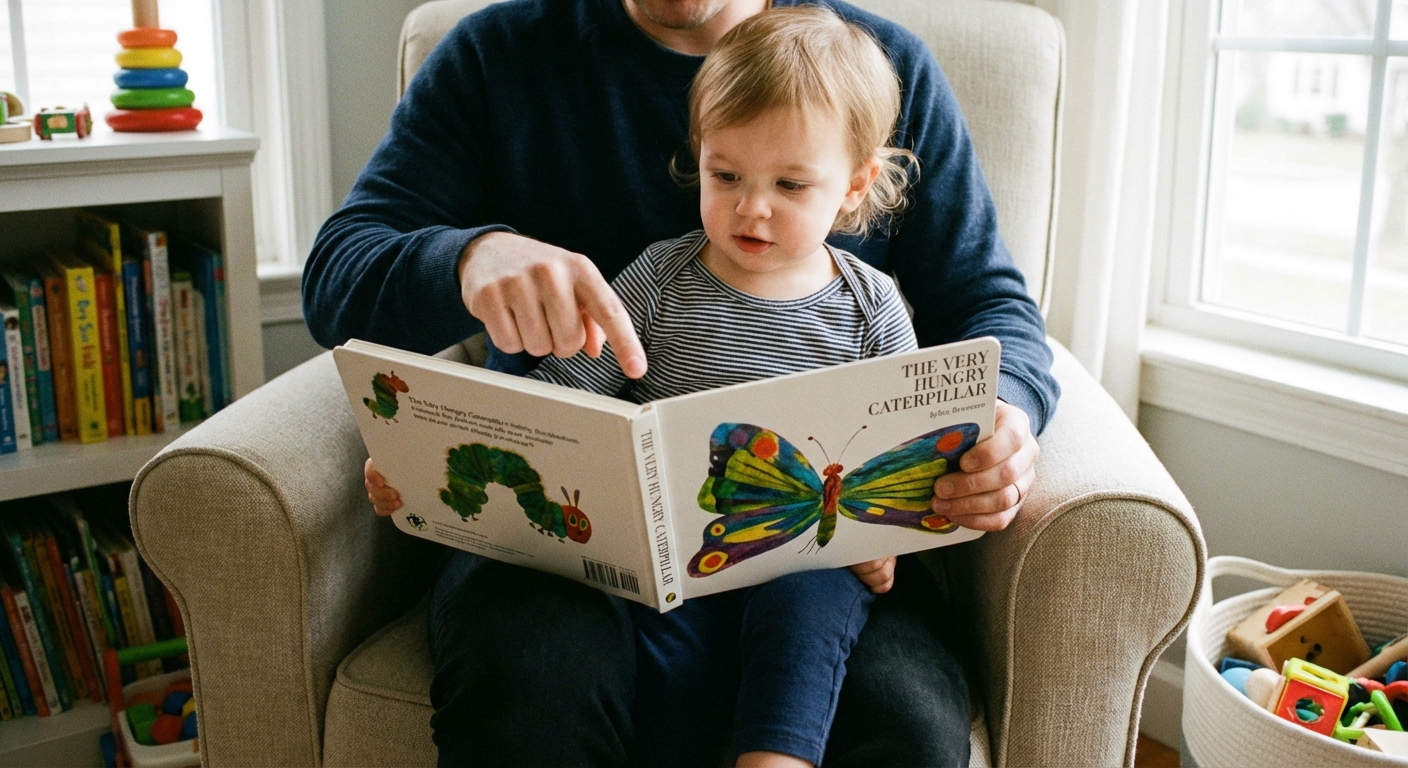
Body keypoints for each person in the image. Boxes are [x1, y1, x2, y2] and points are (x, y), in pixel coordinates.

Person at [305, 0, 1059, 764]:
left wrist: (1008, 415)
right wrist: (467, 260)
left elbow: (986, 302)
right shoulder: (499, 54)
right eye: (723, 174)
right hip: (566, 533)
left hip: (815, 549)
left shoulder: (878, 67)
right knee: (534, 680)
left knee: (901, 721)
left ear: (855, 187)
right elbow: (339, 276)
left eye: (793, 185)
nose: (751, 208)